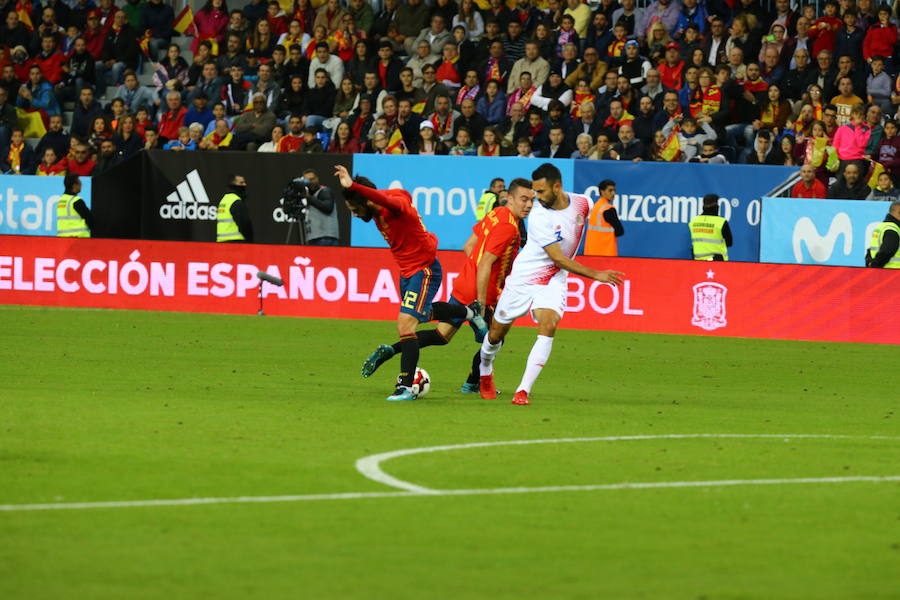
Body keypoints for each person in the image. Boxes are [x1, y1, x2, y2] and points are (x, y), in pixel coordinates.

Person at [362, 178, 535, 394]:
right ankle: (473, 382)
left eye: (532, 200)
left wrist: (476, 270)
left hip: (464, 285)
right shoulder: (509, 228)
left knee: (441, 335)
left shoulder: (496, 213)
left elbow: (469, 245)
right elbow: (486, 264)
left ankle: (392, 350)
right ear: (510, 198)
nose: (528, 205)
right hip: (483, 294)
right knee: (494, 340)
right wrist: (481, 299)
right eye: (524, 199)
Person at [336, 165, 487, 402]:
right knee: (422, 314)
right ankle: (470, 312)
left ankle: (405, 386)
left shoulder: (396, 209)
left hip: (424, 270)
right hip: (407, 272)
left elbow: (393, 202)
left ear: (366, 201)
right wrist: (358, 189)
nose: (354, 214)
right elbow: (390, 195)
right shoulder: (390, 200)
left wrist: (354, 187)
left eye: (355, 209)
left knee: (406, 325)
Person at [477, 163, 624, 406]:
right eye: (535, 193)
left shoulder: (583, 203)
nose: (537, 198)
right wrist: (596, 274)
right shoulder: (538, 216)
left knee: (549, 323)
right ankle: (485, 367)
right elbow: (558, 257)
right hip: (525, 277)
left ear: (557, 186)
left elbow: (563, 256)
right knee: (496, 334)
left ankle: (522, 390)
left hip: (554, 278)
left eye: (541, 192)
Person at [584, 179, 624, 256]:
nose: (613, 193)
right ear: (602, 191)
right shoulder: (609, 209)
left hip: (590, 253)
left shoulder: (595, 207)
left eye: (614, 190)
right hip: (606, 254)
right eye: (610, 190)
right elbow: (620, 231)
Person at [299, 169, 339, 246]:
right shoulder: (309, 195)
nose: (310, 182)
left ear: (317, 178)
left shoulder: (325, 191)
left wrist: (308, 197)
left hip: (325, 237)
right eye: (306, 180)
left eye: (312, 179)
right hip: (313, 237)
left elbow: (328, 208)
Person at [688, 194, 732, 261]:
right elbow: (729, 243)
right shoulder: (721, 222)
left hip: (698, 262)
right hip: (717, 263)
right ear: (716, 206)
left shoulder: (693, 222)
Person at [216, 174, 253, 242]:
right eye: (241, 183)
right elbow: (245, 225)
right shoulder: (236, 202)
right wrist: (250, 242)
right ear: (233, 185)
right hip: (236, 243)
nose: (245, 185)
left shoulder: (224, 200)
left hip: (221, 242)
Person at [56, 174, 92, 238]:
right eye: (80, 183)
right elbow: (90, 219)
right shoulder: (76, 201)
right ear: (74, 185)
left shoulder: (61, 201)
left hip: (62, 239)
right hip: (79, 238)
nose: (81, 185)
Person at [866, 200, 900, 267]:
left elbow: (870, 250)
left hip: (882, 273)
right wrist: (875, 264)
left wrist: (870, 263)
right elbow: (887, 252)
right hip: (893, 273)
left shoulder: (881, 227)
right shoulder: (892, 230)